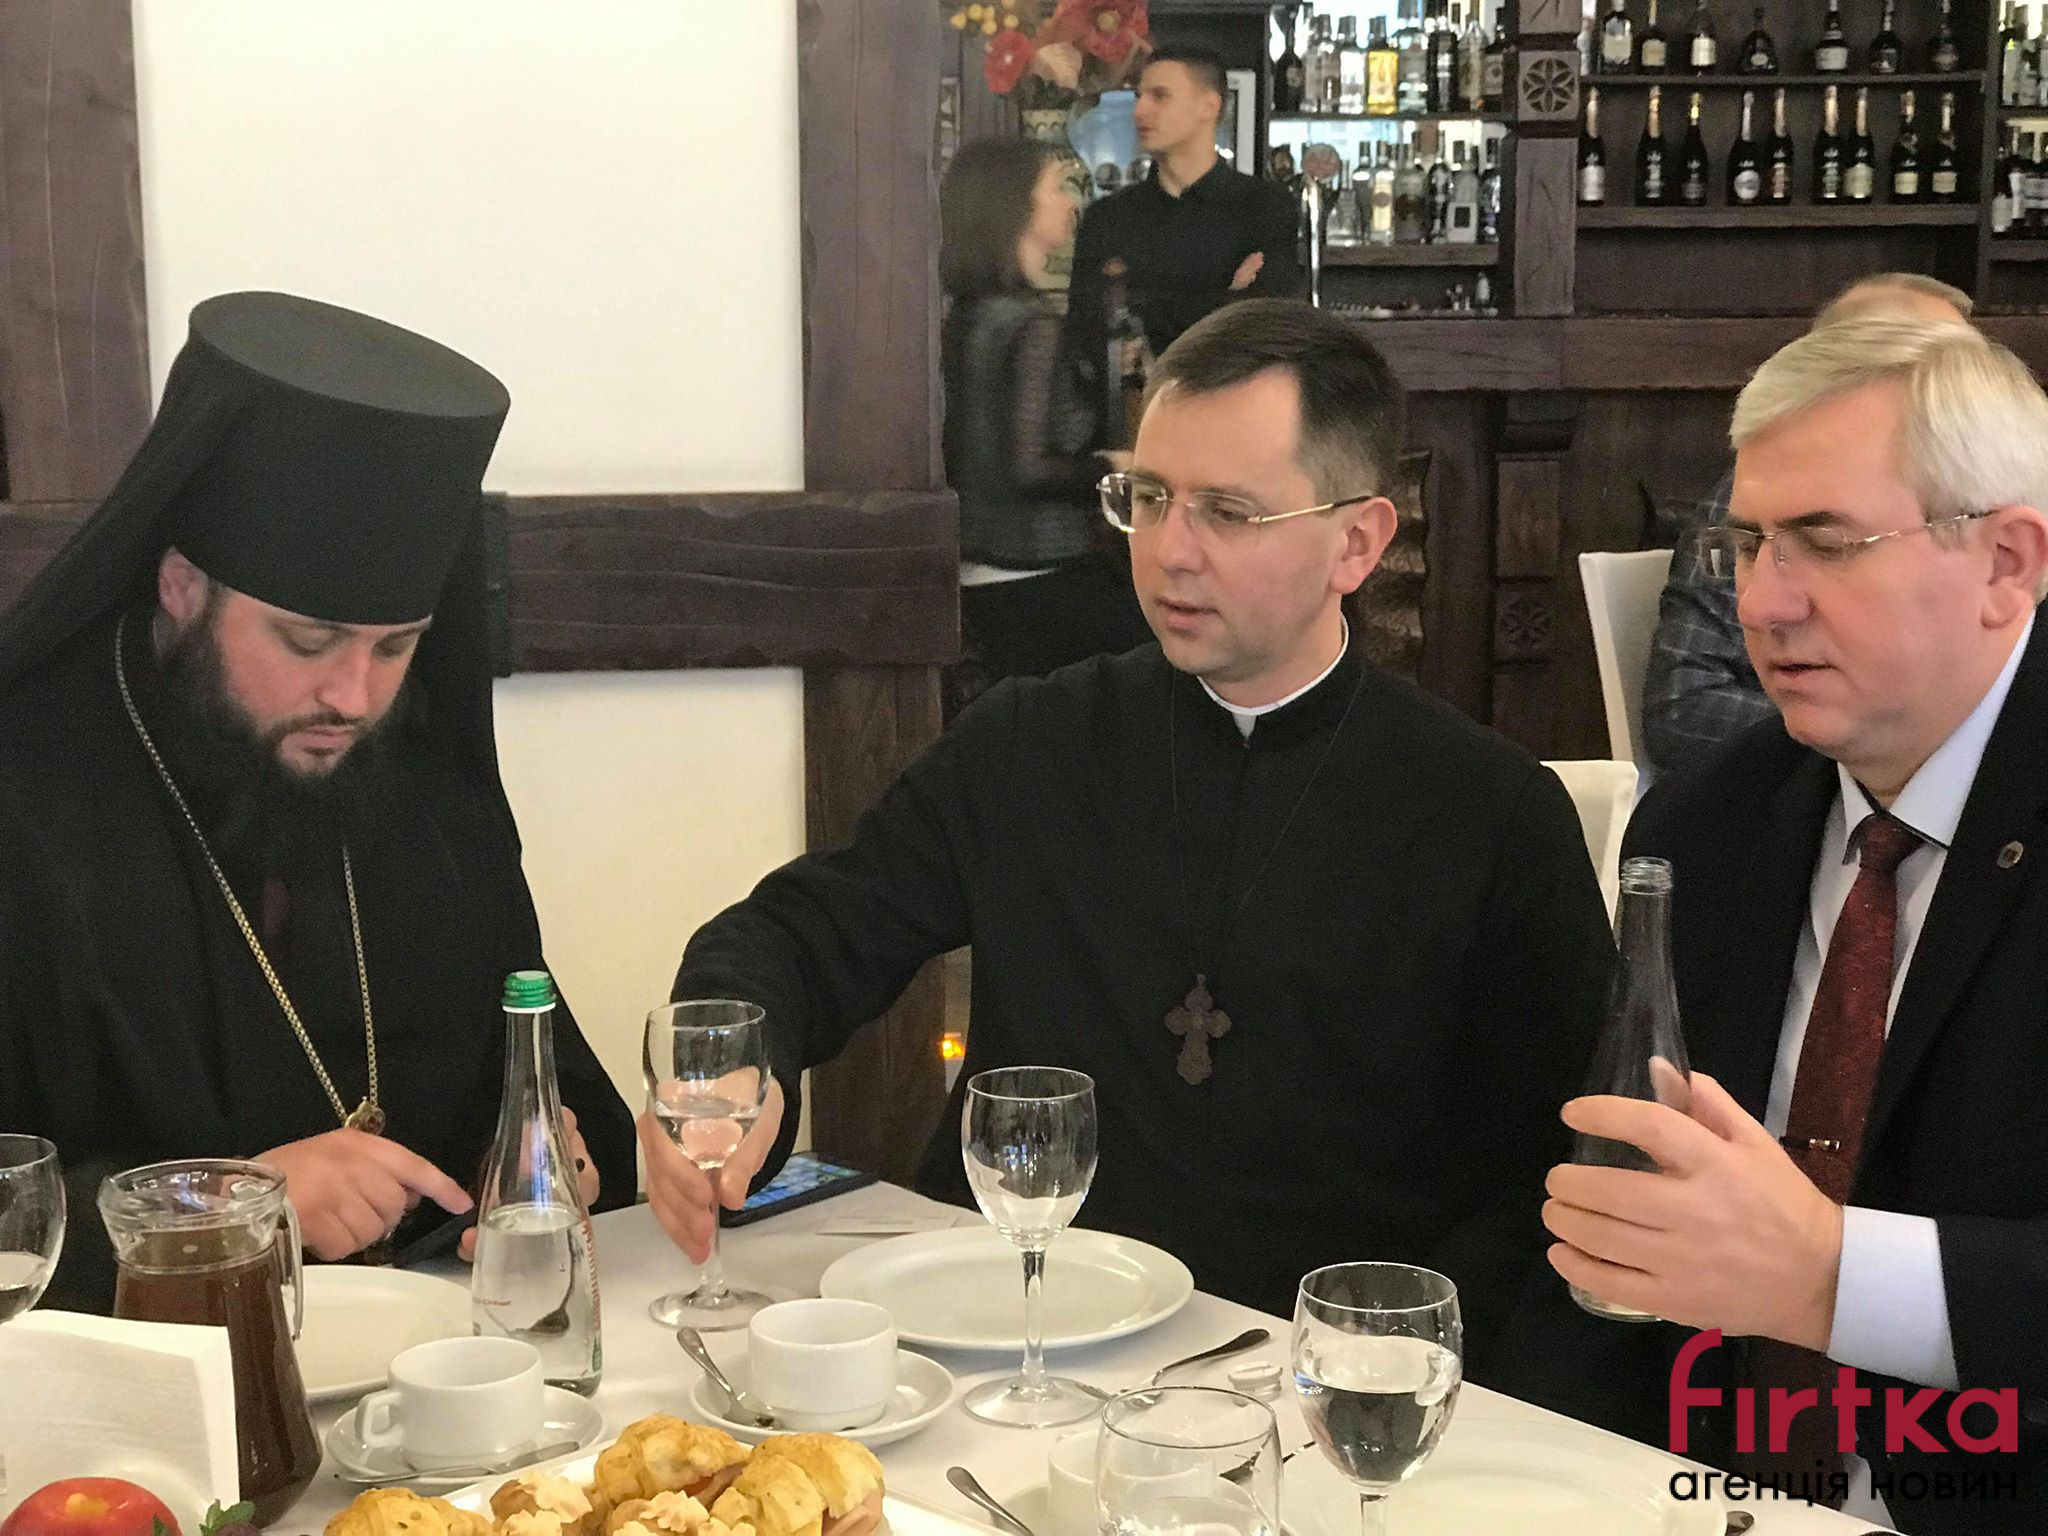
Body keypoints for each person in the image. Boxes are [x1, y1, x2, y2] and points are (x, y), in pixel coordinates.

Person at [644, 299, 1613, 1378]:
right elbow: (802, 932)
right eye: (1148, 498)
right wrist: (727, 1072)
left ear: (1357, 542)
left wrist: (1401, 1368)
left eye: (1227, 512)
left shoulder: (1489, 813)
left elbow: (1554, 1165)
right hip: (1010, 1334)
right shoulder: (1033, 739)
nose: (1168, 553)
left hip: (1314, 1370)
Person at [0, 291, 636, 1311]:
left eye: (395, 647)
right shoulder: (28, 796)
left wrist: (540, 1160)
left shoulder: (414, 778)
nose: (353, 696)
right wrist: (222, 1211)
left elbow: (549, 1086)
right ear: (180, 586)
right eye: (307, 641)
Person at [1546, 316, 2048, 1530]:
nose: (1761, 603)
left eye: (1826, 544)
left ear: (2003, 562)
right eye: (1747, 544)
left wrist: (1832, 1276)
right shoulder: (1709, 823)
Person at [1639, 273, 1974, 780]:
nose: (1761, 606)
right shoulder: (1754, 501)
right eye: (1930, 374)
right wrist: (1858, 730)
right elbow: (1682, 710)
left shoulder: (2002, 493)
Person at [942, 137, 1152, 681]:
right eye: (1056, 187)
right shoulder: (1031, 325)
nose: (1070, 202)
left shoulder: (968, 313)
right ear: (1015, 204)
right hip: (1036, 576)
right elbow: (1028, 467)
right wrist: (1117, 465)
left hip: (981, 570)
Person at [1063, 48, 1303, 446]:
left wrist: (1141, 313)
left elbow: (1264, 328)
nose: (1140, 111)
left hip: (1236, 429)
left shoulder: (1264, 207)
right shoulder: (1107, 216)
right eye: (1139, 96)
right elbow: (1087, 331)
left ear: (1209, 106)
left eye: (1159, 96)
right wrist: (1225, 298)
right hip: (1134, 435)